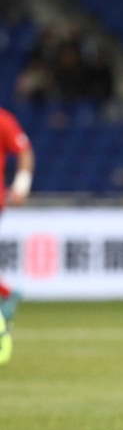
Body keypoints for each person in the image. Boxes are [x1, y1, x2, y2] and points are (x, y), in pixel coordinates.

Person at [0, 107, 34, 328]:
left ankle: (6, 294)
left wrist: (21, 186)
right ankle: (6, 293)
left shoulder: (2, 119)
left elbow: (24, 151)